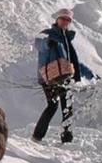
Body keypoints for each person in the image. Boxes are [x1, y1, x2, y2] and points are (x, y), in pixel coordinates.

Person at [32, 8, 96, 143]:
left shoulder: (66, 40)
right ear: (57, 20)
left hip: (65, 76)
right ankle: (37, 136)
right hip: (48, 78)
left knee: (67, 108)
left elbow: (73, 62)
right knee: (53, 106)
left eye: (68, 20)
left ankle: (67, 139)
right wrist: (48, 43)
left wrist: (90, 74)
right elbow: (39, 44)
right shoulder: (47, 34)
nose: (65, 22)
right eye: (63, 18)